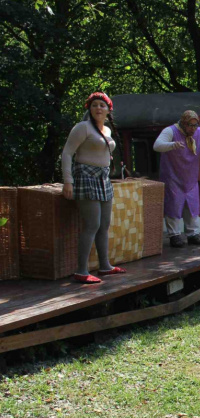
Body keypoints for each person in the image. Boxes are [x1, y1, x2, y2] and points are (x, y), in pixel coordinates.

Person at [61, 92, 127, 284]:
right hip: (85, 177)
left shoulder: (107, 130)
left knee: (104, 224)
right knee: (92, 224)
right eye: (94, 105)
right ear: (89, 109)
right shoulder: (83, 127)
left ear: (108, 110)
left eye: (102, 105)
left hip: (104, 178)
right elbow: (67, 153)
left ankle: (105, 266)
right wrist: (68, 181)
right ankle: (82, 271)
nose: (98, 108)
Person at [153, 110, 200, 248]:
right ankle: (174, 235)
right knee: (173, 204)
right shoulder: (171, 131)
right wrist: (171, 145)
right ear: (183, 123)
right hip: (172, 176)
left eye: (195, 125)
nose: (193, 129)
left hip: (190, 177)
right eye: (190, 125)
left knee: (192, 205)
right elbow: (157, 145)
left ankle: (193, 234)